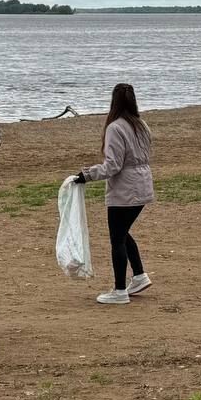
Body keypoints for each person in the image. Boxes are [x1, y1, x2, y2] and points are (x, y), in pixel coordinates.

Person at [73, 83, 154, 305]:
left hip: (125, 190)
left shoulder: (115, 128)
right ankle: (139, 275)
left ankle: (119, 290)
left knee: (117, 238)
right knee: (123, 233)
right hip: (142, 185)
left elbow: (113, 165)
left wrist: (87, 175)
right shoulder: (142, 125)